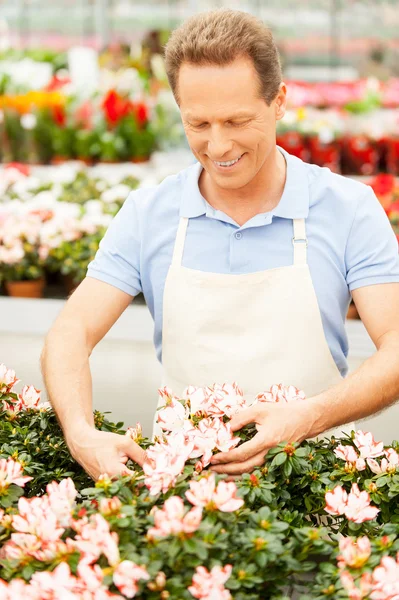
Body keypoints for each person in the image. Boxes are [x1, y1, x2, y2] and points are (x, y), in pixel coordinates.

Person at [41, 9, 399, 481]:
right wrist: (82, 432)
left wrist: (309, 416)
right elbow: (70, 333)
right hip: (187, 497)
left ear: (279, 102)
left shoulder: (348, 208)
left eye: (237, 120)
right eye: (199, 123)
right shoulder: (150, 213)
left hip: (316, 487)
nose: (218, 146)